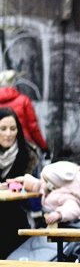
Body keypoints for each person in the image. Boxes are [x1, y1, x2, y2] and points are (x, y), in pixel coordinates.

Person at [0, 107, 40, 259]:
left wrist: (16, 186)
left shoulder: (28, 154)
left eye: (12, 128)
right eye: (2, 129)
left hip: (18, 212)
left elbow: (34, 191)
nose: (8, 134)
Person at [15, 160, 80, 225]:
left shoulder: (67, 197)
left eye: (45, 182)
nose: (42, 184)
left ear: (52, 186)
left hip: (62, 226)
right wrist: (25, 182)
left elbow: (73, 210)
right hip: (47, 222)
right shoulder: (51, 189)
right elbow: (39, 185)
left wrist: (59, 214)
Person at [0, 70, 47, 152]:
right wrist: (44, 147)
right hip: (23, 146)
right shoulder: (24, 101)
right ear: (13, 83)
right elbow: (33, 127)